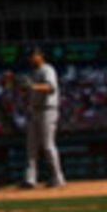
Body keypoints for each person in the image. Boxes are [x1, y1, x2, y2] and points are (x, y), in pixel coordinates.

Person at [20, 48, 65, 189]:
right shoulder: (33, 73)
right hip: (34, 111)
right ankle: (30, 179)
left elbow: (50, 88)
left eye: (33, 55)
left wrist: (32, 86)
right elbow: (29, 92)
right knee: (31, 147)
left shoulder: (48, 70)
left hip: (48, 110)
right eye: (30, 56)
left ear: (40, 55)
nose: (31, 58)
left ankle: (57, 178)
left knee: (47, 146)